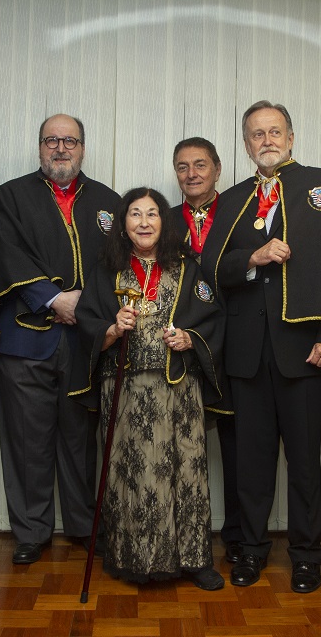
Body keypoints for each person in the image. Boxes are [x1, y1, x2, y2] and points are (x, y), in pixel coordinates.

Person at [200, 100, 321, 593]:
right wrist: (253, 258)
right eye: (256, 134)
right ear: (245, 144)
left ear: (292, 136)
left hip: (307, 351)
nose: (267, 141)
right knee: (251, 463)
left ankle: (306, 556)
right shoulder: (234, 198)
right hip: (247, 354)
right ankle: (252, 551)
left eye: (274, 131)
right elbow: (212, 270)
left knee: (304, 463)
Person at [71, 187, 225, 590]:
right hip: (124, 389)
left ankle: (194, 560)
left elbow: (213, 316)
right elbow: (87, 319)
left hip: (178, 386)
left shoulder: (190, 266)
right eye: (135, 214)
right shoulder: (106, 269)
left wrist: (191, 338)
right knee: (134, 473)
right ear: (123, 224)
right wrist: (110, 328)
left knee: (187, 469)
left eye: (152, 214)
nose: (143, 222)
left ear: (164, 221)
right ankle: (137, 558)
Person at [0, 114, 120, 564]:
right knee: (27, 442)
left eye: (70, 141)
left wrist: (89, 311)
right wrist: (52, 299)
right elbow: (6, 253)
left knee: (81, 441)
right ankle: (30, 532)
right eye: (52, 140)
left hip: (87, 345)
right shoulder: (11, 195)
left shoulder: (109, 201)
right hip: (26, 341)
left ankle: (86, 528)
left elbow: (118, 268)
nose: (61, 148)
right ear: (39, 146)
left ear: (83, 148)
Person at [170, 137, 244, 564]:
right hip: (181, 347)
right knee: (178, 444)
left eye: (200, 164)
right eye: (183, 166)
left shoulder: (238, 213)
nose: (192, 173)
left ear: (217, 168)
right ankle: (177, 532)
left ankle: (236, 534)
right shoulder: (162, 219)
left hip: (234, 345)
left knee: (236, 446)